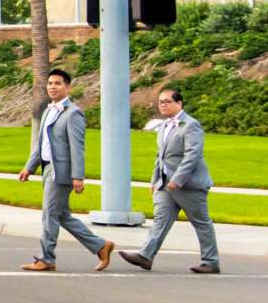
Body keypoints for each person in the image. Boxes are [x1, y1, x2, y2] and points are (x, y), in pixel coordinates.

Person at [17, 67, 115, 272]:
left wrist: (77, 176)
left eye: (58, 83)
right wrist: (29, 167)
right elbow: (40, 143)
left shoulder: (73, 113)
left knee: (49, 214)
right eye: (50, 83)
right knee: (61, 215)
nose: (53, 87)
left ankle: (47, 258)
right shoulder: (48, 111)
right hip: (47, 169)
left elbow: (77, 147)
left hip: (61, 171)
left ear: (68, 87)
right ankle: (101, 246)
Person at [120, 86, 219, 274]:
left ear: (179, 103)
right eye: (160, 102)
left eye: (167, 102)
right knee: (160, 220)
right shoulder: (164, 125)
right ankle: (146, 256)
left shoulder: (190, 125)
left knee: (201, 222)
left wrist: (178, 178)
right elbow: (161, 156)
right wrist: (154, 180)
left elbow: (193, 154)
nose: (163, 105)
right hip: (165, 184)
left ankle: (211, 261)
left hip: (189, 185)